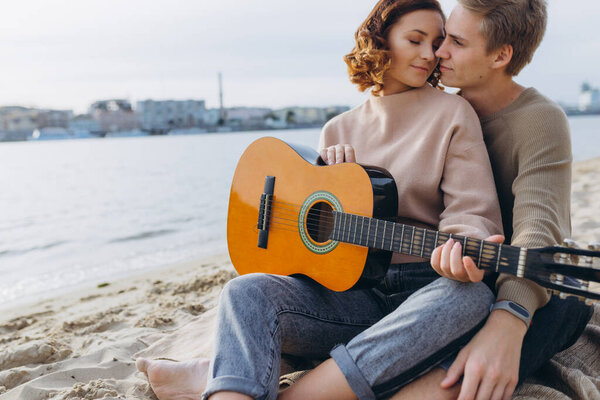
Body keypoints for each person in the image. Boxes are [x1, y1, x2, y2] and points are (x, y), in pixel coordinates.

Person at [136, 1, 506, 399]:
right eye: (415, 40)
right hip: (351, 299)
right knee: (245, 291)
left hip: (425, 289)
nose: (429, 54)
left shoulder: (453, 112)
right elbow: (302, 237)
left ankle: (301, 388)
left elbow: (472, 209)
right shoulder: (336, 130)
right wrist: (333, 183)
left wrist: (461, 251)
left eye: (436, 43)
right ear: (379, 42)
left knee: (470, 299)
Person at [385, 1, 594, 399]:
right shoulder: (431, 104)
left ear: (501, 55)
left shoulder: (539, 119)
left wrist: (509, 317)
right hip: (434, 282)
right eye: (443, 36)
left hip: (508, 282)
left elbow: (539, 227)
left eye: (457, 42)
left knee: (566, 297)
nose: (438, 52)